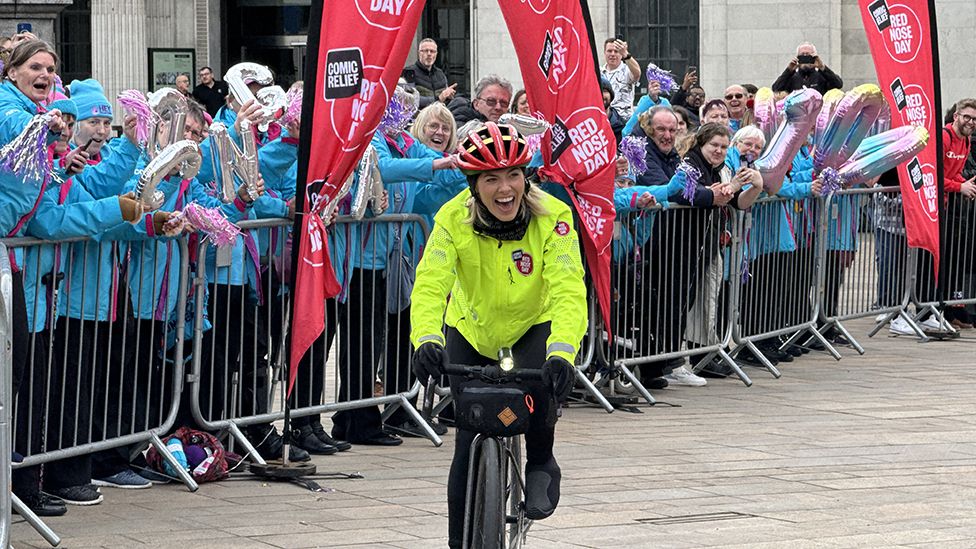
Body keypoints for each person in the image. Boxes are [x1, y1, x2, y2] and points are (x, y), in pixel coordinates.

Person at [410, 122, 586, 549]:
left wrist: (562, 351)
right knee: (467, 439)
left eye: (513, 176)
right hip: (471, 329)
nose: (504, 188)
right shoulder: (452, 218)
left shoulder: (554, 217)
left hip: (533, 325)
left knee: (539, 388)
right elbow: (431, 282)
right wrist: (426, 339)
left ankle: (541, 458)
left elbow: (567, 287)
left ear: (526, 178)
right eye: (491, 178)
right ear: (474, 185)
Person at [0, 38, 68, 517]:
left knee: (15, 381)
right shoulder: (8, 108)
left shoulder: (38, 123)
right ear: (13, 72)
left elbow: (45, 218)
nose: (43, 75)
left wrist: (134, 214)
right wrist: (40, 126)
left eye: (50, 69)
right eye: (35, 67)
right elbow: (13, 128)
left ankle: (16, 485)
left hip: (13, 267)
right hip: (8, 266)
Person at [941, 98, 976, 329]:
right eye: (967, 117)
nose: (970, 122)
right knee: (941, 262)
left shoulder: (966, 142)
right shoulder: (944, 137)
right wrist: (959, 187)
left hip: (952, 207)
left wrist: (966, 183)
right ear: (956, 116)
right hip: (936, 208)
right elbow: (932, 175)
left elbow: (954, 175)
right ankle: (937, 310)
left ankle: (954, 309)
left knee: (955, 260)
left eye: (974, 119)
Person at [402, 38, 457, 108]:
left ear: (436, 54)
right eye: (425, 51)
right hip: (418, 117)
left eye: (432, 51)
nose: (429, 54)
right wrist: (438, 98)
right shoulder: (409, 72)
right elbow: (409, 100)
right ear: (419, 53)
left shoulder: (440, 74)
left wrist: (449, 96)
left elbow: (445, 100)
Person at [772, 42, 843, 96]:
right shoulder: (791, 77)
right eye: (802, 55)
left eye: (808, 55)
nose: (805, 58)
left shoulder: (822, 77)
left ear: (814, 57)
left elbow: (838, 84)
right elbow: (776, 88)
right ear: (797, 58)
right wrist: (789, 71)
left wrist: (822, 68)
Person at [601, 38, 641, 119]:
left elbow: (637, 73)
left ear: (621, 54)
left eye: (616, 51)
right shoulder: (598, 72)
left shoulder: (627, 70)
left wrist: (626, 54)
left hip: (624, 120)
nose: (612, 54)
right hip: (604, 120)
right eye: (609, 51)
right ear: (604, 53)